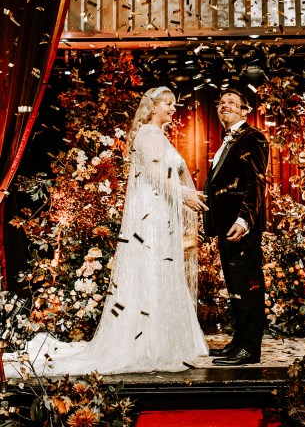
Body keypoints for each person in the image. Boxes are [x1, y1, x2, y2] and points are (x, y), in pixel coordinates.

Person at [4, 86, 208, 377]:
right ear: (153, 107)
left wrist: (185, 192)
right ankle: (147, 344)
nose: (173, 108)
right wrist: (184, 194)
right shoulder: (149, 135)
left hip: (160, 214)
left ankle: (160, 341)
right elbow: (155, 175)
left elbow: (165, 177)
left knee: (160, 269)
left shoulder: (157, 136)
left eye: (174, 104)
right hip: (150, 218)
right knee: (152, 270)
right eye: (168, 103)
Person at [204, 88, 268, 366]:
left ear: (245, 111)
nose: (224, 105)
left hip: (242, 227)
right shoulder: (228, 141)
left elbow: (256, 183)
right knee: (235, 287)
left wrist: (244, 220)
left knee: (248, 285)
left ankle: (250, 349)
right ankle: (239, 342)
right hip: (227, 227)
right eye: (221, 102)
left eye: (232, 102)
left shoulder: (252, 137)